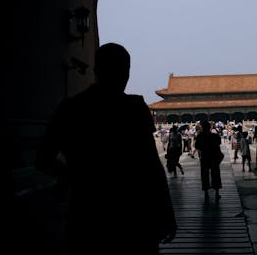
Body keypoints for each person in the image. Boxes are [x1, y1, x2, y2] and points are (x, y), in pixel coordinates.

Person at [35, 43, 176, 254]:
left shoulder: (71, 108)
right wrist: (166, 213)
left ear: (96, 69)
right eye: (123, 70)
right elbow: (151, 167)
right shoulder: (134, 109)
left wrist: (71, 175)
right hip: (134, 214)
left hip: (87, 212)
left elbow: (42, 158)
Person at [194, 120, 222, 202]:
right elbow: (218, 143)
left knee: (204, 175)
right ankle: (217, 193)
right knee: (216, 174)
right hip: (213, 157)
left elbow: (197, 146)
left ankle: (206, 193)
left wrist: (203, 149)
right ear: (210, 127)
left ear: (202, 127)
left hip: (205, 157)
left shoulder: (200, 136)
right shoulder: (214, 136)